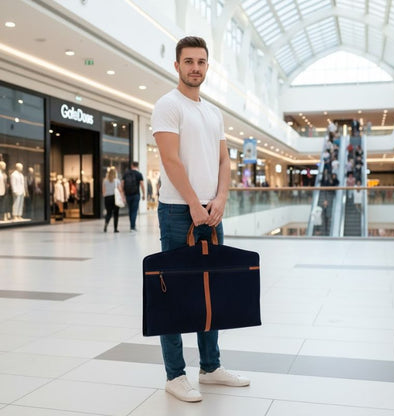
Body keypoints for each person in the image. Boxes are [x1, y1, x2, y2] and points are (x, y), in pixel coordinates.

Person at [151, 36, 249, 403]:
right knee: (174, 293)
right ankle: (175, 375)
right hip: (179, 211)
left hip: (211, 210)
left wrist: (221, 197)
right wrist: (193, 202)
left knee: (213, 290)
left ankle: (210, 367)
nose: (195, 67)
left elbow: (225, 161)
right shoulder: (167, 105)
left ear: (207, 67)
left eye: (201, 62)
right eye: (188, 61)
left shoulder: (213, 112)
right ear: (176, 65)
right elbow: (171, 160)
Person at [121, 161, 145, 232]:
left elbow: (122, 184)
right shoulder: (139, 174)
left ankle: (132, 225)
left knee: (130, 210)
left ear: (132, 165)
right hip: (136, 195)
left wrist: (123, 194)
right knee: (134, 211)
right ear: (137, 166)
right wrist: (144, 194)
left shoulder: (126, 173)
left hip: (128, 195)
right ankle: (132, 227)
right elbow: (142, 185)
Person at [102, 166, 122, 233]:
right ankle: (115, 228)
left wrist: (106, 195)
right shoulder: (117, 181)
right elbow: (120, 190)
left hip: (107, 198)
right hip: (115, 198)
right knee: (116, 214)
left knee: (109, 213)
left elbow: (103, 191)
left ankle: (106, 224)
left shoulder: (105, 181)